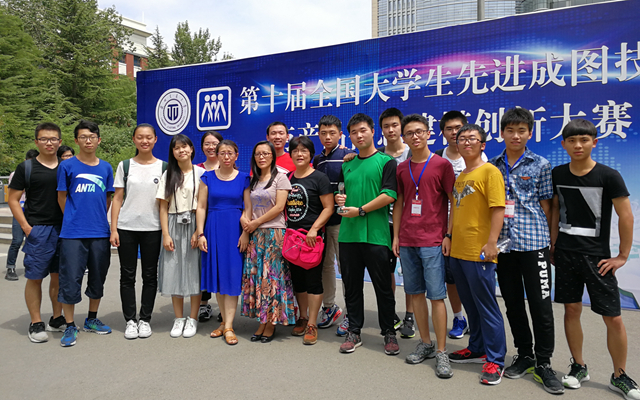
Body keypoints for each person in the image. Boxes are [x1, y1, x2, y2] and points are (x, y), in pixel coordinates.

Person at [550, 119, 639, 399]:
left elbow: (626, 215)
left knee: (613, 318)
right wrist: (553, 244)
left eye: (584, 140)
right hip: (565, 255)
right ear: (564, 144)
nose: (578, 145)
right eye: (572, 140)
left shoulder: (608, 176)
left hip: (598, 258)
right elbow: (555, 209)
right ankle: (579, 366)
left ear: (594, 142)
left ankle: (619, 375)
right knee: (571, 310)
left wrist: (622, 256)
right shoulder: (557, 173)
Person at [488, 108, 563, 393]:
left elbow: (548, 206)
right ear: (502, 133)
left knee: (541, 306)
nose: (515, 136)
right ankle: (525, 354)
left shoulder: (541, 164)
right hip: (504, 246)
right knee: (513, 304)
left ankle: (544, 362)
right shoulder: (493, 165)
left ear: (530, 133)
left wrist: (551, 242)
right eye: (510, 130)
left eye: (521, 131)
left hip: (534, 244)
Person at [392, 114, 455, 378]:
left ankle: (441, 351)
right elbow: (399, 202)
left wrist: (448, 234)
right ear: (404, 138)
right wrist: (396, 236)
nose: (415, 137)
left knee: (436, 296)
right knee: (415, 293)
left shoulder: (442, 165)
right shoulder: (402, 168)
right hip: (407, 240)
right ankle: (426, 343)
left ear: (429, 134)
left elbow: (453, 201)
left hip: (433, 240)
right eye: (410, 133)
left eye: (419, 131)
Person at [447, 124, 507, 385]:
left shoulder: (490, 172)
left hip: (479, 251)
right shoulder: (461, 175)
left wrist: (492, 242)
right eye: (462, 139)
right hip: (458, 250)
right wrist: (448, 236)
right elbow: (455, 209)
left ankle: (496, 359)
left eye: (472, 138)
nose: (466, 142)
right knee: (470, 304)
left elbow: (498, 208)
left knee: (486, 305)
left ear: (482, 144)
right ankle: (477, 348)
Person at [335, 113, 399, 355]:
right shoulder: (347, 164)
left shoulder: (387, 162)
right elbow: (341, 192)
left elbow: (389, 195)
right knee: (351, 287)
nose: (358, 135)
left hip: (376, 236)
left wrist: (360, 210)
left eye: (363, 130)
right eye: (353, 132)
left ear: (373, 131)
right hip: (348, 236)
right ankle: (354, 331)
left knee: (383, 288)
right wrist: (339, 199)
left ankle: (389, 332)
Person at [56, 120, 115, 347]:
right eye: (83, 137)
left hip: (99, 232)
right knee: (70, 279)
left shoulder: (106, 168)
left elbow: (108, 198)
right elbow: (62, 197)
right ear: (76, 140)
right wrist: (73, 217)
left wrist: (97, 218)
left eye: (92, 137)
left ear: (99, 140)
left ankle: (91, 319)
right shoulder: (67, 166)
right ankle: (70, 324)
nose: (88, 141)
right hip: (72, 233)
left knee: (98, 277)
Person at [7, 125, 63, 342]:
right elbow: (13, 199)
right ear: (36, 141)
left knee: (58, 276)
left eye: (53, 139)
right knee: (35, 277)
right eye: (44, 139)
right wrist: (26, 226)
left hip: (63, 229)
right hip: (38, 228)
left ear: (60, 141)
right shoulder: (26, 167)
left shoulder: (66, 167)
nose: (49, 143)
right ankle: (36, 322)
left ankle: (57, 318)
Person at [110, 124, 166, 340]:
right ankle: (130, 321)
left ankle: (145, 319)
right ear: (134, 139)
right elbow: (117, 198)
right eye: (140, 137)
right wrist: (113, 229)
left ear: (155, 140)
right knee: (127, 275)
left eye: (148, 137)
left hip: (153, 228)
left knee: (150, 275)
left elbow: (165, 202)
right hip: (126, 227)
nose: (145, 141)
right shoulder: (125, 166)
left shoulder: (163, 167)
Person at [435, 110, 487, 340]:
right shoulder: (437, 158)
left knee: (474, 280)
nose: (454, 133)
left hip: (473, 228)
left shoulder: (481, 160)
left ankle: (479, 323)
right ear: (443, 133)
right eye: (449, 129)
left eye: (458, 128)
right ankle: (459, 318)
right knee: (452, 278)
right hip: (444, 228)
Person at [240, 141, 294, 342]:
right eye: (258, 154)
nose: (261, 157)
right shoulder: (252, 181)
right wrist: (246, 225)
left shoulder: (280, 178)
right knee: (257, 277)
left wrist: (256, 222)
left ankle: (271, 322)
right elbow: (247, 208)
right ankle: (262, 320)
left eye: (265, 153)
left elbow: (279, 207)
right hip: (256, 235)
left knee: (272, 278)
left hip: (274, 233)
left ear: (272, 156)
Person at [197, 140, 250, 345]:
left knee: (231, 276)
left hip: (234, 230)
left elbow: (248, 208)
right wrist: (201, 233)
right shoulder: (207, 177)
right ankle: (224, 323)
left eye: (230, 153)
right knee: (218, 277)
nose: (226, 156)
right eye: (222, 153)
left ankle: (228, 326)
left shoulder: (244, 178)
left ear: (236, 155)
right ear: (217, 155)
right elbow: (201, 206)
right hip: (213, 229)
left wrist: (245, 233)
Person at [285, 136, 334, 345]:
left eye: (304, 150)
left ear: (311, 154)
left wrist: (314, 229)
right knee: (298, 280)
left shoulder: (320, 178)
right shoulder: (287, 178)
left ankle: (312, 323)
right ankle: (303, 317)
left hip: (313, 239)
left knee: (313, 280)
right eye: (295, 150)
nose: (299, 154)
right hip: (292, 239)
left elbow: (329, 208)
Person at [156, 134, 205, 339]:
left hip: (194, 223)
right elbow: (162, 206)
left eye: (184, 147)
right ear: (173, 152)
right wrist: (166, 234)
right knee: (173, 269)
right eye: (177, 148)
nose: (181, 150)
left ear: (192, 149)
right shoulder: (168, 175)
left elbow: (203, 206)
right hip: (173, 224)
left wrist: (198, 231)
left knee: (194, 271)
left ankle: (192, 318)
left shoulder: (202, 173)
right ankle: (178, 318)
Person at [312, 115, 354, 334]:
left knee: (345, 267)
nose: (327, 137)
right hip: (322, 222)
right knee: (326, 266)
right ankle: (329, 307)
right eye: (323, 133)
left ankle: (351, 314)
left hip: (342, 221)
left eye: (332, 133)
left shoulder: (349, 156)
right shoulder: (317, 160)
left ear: (340, 134)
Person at [377, 107, 414, 338]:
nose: (391, 130)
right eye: (386, 126)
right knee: (386, 270)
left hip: (410, 222)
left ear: (401, 127)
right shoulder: (378, 155)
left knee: (410, 271)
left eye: (394, 125)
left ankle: (410, 315)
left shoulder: (413, 153)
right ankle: (390, 312)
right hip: (385, 222)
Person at [195, 131, 223, 323]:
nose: (211, 147)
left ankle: (224, 305)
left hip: (222, 222)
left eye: (214, 143)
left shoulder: (229, 166)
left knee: (222, 263)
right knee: (202, 263)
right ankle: (204, 304)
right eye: (207, 143)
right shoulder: (196, 169)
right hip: (201, 222)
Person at [5, 149, 39, 281]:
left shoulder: (39, 172)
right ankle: (10, 267)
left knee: (31, 240)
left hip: (34, 211)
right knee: (17, 241)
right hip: (20, 211)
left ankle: (28, 266)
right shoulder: (17, 173)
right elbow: (13, 193)